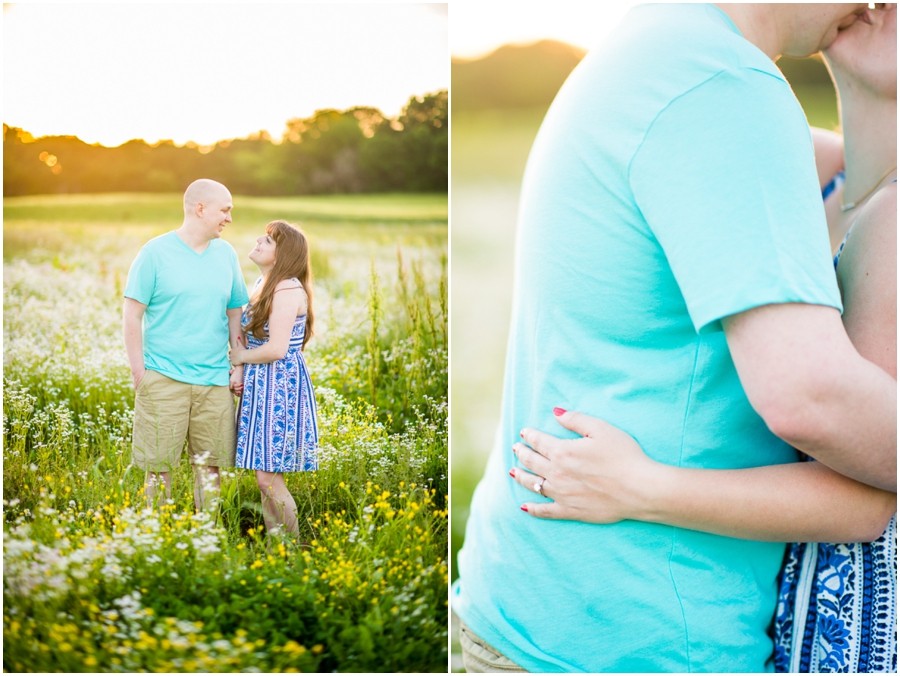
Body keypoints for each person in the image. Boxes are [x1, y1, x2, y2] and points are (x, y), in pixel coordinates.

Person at [452, 3, 897, 673]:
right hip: (634, 635)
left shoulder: (669, 47)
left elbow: (857, 185)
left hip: (552, 604)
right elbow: (812, 397)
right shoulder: (724, 90)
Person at [123, 178, 249, 510]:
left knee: (210, 469)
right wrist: (140, 373)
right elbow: (131, 314)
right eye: (225, 210)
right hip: (163, 378)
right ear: (200, 208)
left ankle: (204, 539)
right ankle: (156, 537)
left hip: (214, 381)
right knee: (157, 468)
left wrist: (237, 366)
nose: (229, 218)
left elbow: (235, 313)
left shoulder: (226, 254)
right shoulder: (154, 252)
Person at [229, 220, 318, 539]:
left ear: (283, 255)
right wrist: (241, 368)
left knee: (269, 480)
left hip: (279, 389)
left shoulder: (286, 288)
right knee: (265, 479)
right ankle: (276, 549)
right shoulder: (264, 282)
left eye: (267, 240)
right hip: (263, 384)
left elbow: (277, 348)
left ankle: (290, 550)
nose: (258, 240)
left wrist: (238, 359)